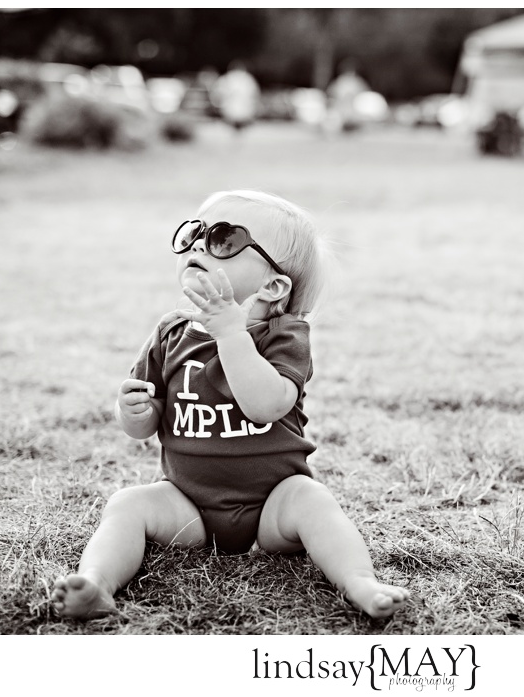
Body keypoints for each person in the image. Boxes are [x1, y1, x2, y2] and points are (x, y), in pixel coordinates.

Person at [51, 190, 409, 620]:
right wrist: (133, 413)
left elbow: (266, 405)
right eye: (194, 234)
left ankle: (359, 582)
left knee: (313, 500)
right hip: (188, 504)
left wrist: (231, 333)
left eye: (224, 239)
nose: (201, 245)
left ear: (272, 286)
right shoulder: (171, 332)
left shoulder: (284, 335)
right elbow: (146, 421)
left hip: (272, 506)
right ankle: (95, 583)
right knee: (128, 504)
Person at [213, 61, 260, 132]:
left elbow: (216, 95)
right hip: (244, 113)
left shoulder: (226, 78)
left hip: (229, 113)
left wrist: (218, 107)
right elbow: (256, 96)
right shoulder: (249, 79)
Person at [327, 59, 369, 132]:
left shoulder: (339, 82)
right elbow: (366, 96)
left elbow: (330, 95)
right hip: (350, 114)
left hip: (346, 114)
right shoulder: (357, 82)